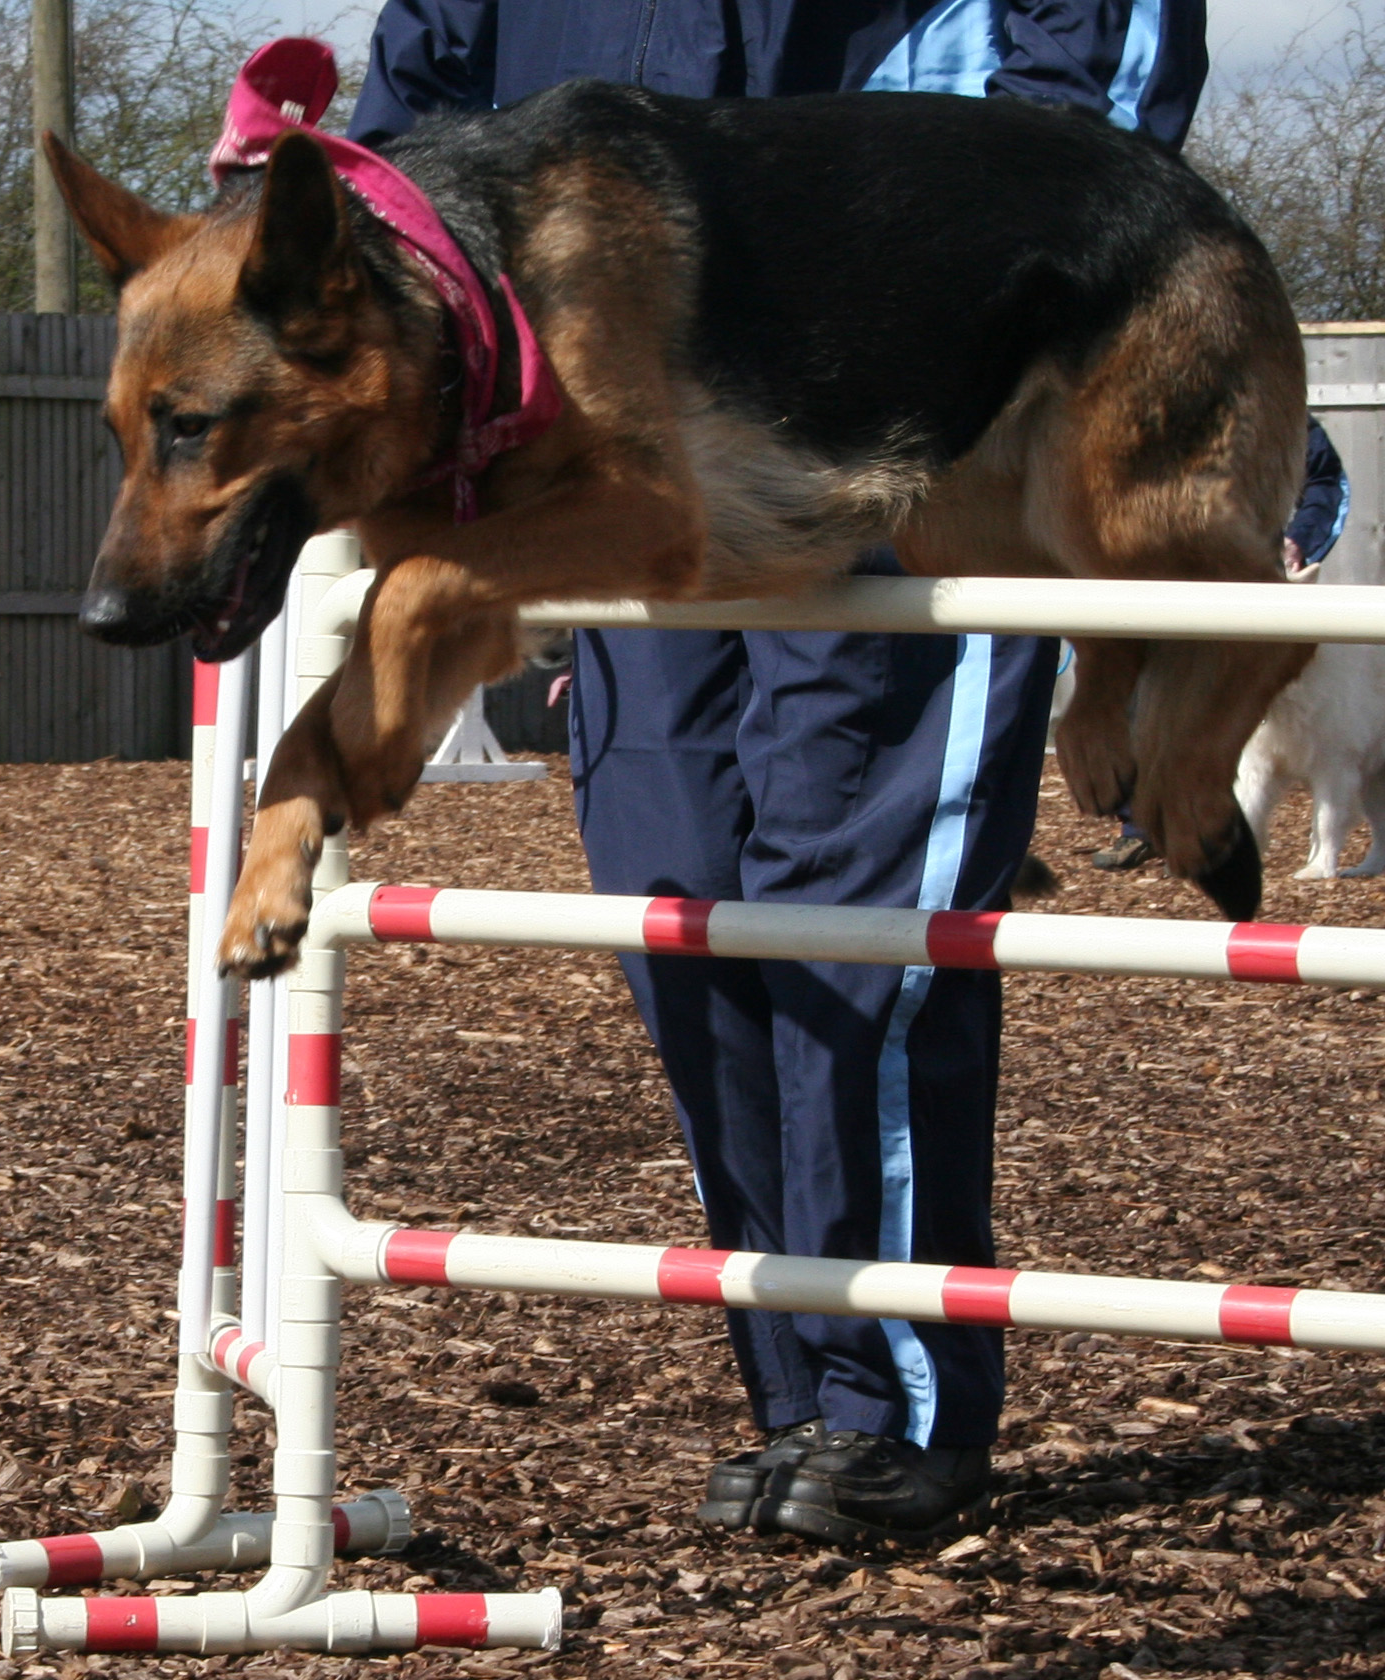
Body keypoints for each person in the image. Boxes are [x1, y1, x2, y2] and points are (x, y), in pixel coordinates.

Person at [350, 2, 1209, 1547]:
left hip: (888, 387)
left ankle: (895, 1402)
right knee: (675, 901)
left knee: (855, 912)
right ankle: (800, 1386)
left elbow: (1100, 83)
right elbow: (423, 87)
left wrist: (996, 312)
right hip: (620, 412)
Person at [1092, 412, 1350, 874]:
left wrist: (1300, 541)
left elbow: (1327, 481)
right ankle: (1150, 828)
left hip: (1250, 584)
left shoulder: (1273, 403)